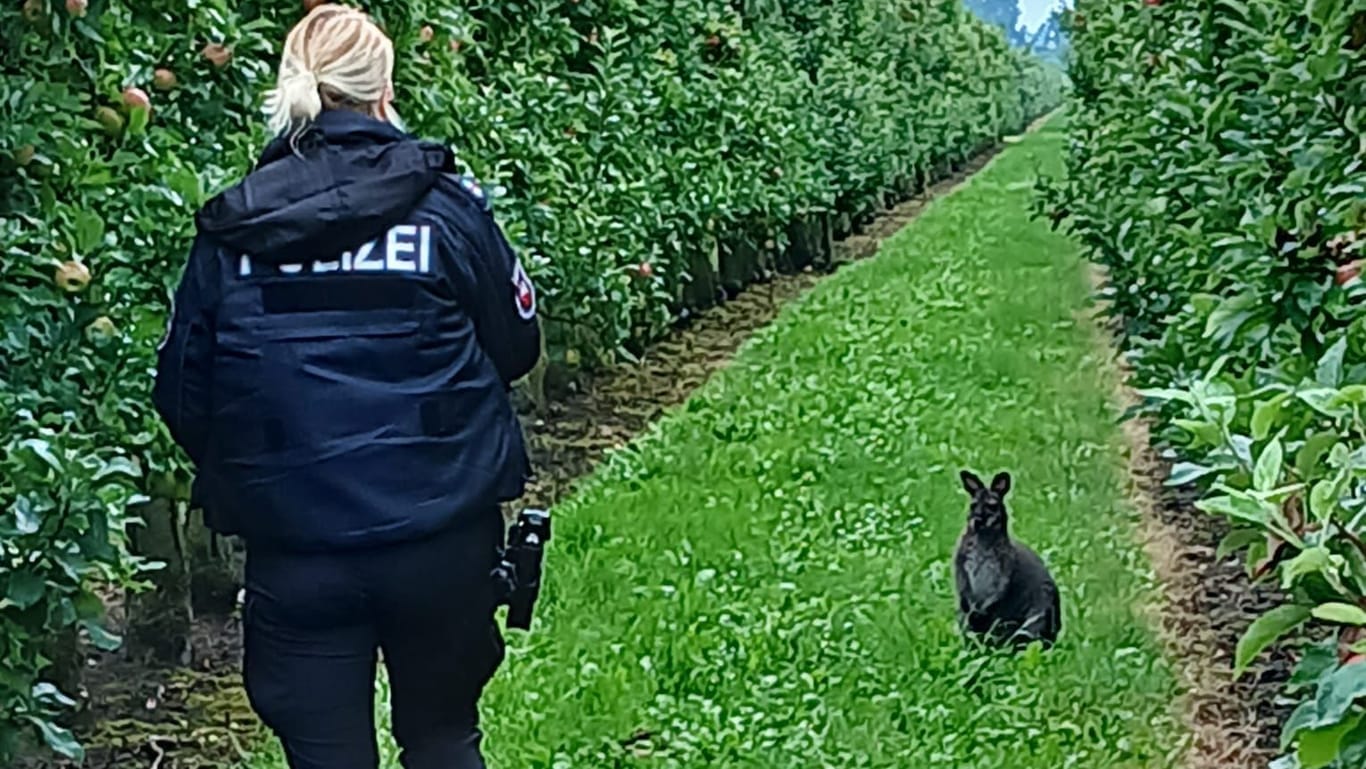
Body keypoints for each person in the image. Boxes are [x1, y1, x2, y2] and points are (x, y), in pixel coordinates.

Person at [151, 5, 541, 768]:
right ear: (384, 89)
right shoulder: (448, 213)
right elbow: (516, 343)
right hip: (441, 538)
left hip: (298, 553)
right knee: (442, 738)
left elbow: (185, 393)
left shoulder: (235, 231)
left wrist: (276, 466)